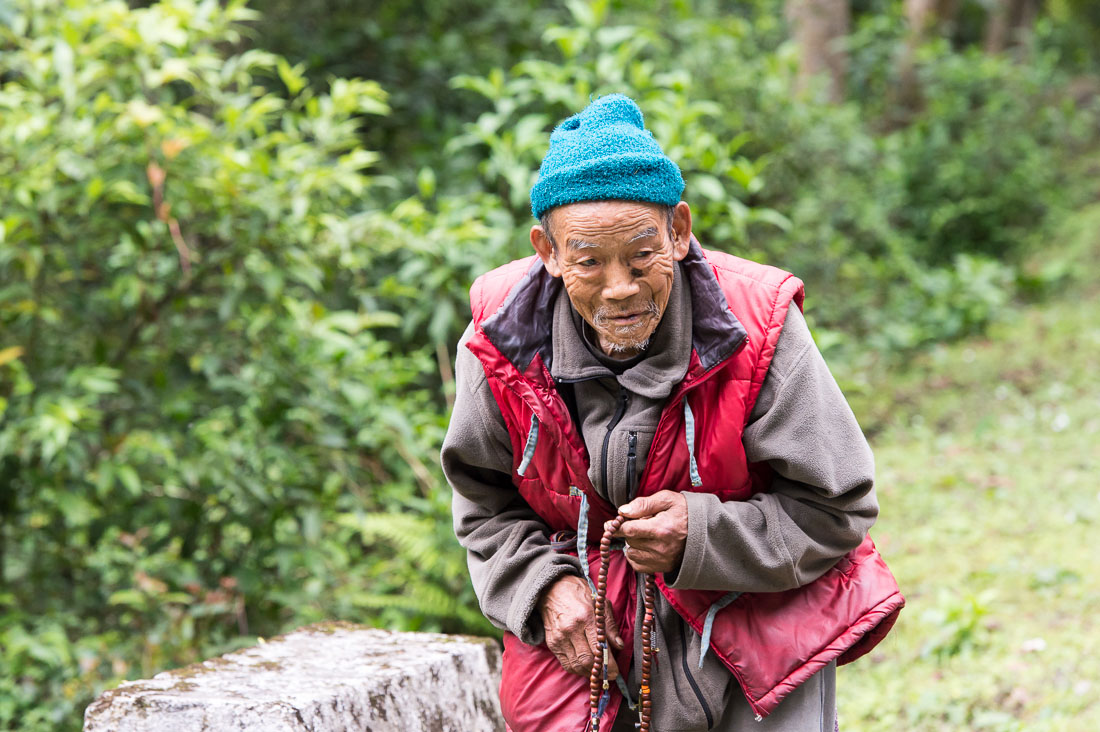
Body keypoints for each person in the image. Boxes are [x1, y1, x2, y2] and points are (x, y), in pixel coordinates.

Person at [441, 94, 903, 732]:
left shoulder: (758, 326)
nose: (620, 287)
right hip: (587, 638)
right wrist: (541, 589)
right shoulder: (500, 345)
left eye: (641, 256)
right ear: (546, 250)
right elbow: (484, 506)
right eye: (589, 263)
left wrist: (701, 533)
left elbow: (837, 508)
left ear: (679, 231)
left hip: (758, 623)